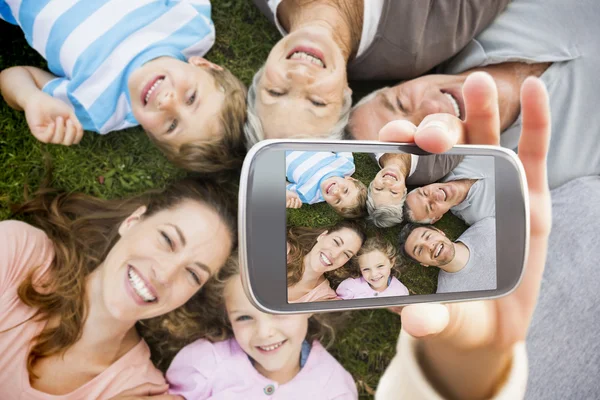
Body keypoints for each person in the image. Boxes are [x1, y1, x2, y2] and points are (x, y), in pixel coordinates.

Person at [372, 71, 552, 399]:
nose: (430, 198)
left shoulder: (459, 160)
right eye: (421, 251)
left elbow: (405, 153)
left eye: (422, 194)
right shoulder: (484, 223)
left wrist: (395, 167)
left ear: (439, 224)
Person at [0, 178, 237, 399]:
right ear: (132, 221)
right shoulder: (18, 255)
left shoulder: (140, 391)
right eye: (167, 240)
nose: (165, 274)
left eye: (193, 274)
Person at [347, 0, 600, 190]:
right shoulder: (542, 174)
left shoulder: (470, 19)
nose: (432, 110)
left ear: (406, 79)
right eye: (419, 133)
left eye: (401, 103)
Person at [0, 0, 247, 174]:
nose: (168, 102)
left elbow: (14, 76)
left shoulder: (97, 110)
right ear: (205, 65)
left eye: (172, 126)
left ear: (152, 136)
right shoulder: (194, 26)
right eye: (191, 98)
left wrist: (31, 98)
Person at [245, 0, 510, 145]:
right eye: (316, 102)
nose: (301, 77)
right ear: (344, 94)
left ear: (261, 75)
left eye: (276, 91)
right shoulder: (418, 42)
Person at [166, 263, 358, 399]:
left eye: (278, 310)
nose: (264, 332)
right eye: (244, 317)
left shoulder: (335, 389)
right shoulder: (202, 365)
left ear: (309, 306)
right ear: (228, 317)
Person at [398, 218, 496, 293]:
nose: (429, 246)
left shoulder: (488, 227)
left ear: (440, 232)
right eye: (420, 250)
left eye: (428, 236)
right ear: (424, 264)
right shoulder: (449, 296)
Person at [366, 152, 463, 228]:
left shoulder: (368, 144)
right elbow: (463, 141)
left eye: (378, 189)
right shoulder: (432, 170)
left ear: (371, 184)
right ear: (404, 191)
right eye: (393, 192)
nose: (387, 183)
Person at [287, 220, 366, 303]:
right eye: (336, 242)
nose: (335, 255)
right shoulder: (285, 252)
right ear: (322, 236)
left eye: (346, 254)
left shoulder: (325, 299)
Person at [404, 155, 495, 225]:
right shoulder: (478, 216)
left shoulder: (451, 160)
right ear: (437, 218)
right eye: (431, 207)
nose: (436, 195)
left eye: (425, 193)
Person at [286, 151, 367, 218]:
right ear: (350, 179)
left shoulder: (308, 196)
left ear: (330, 205)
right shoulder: (346, 165)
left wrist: (287, 194)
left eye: (337, 201)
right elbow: (341, 143)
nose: (336, 192)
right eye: (346, 191)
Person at [336, 236, 408, 300]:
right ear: (360, 269)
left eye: (380, 266)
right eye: (366, 269)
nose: (374, 274)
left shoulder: (401, 292)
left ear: (392, 262)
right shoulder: (349, 288)